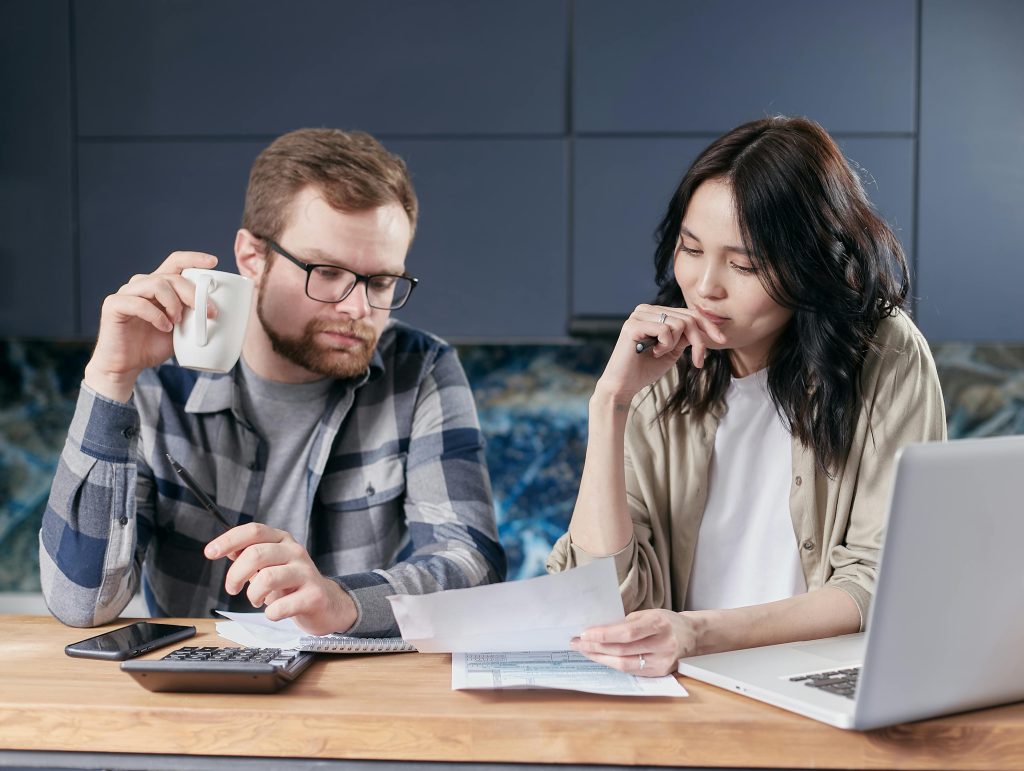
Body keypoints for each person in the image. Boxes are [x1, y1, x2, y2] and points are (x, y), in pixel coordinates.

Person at [40, 128, 506, 636]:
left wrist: (341, 601)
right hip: (198, 698)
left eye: (380, 282)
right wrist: (110, 378)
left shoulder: (420, 370)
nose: (358, 309)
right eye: (327, 272)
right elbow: (80, 605)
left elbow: (471, 561)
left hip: (357, 694)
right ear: (251, 258)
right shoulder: (156, 383)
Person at [547, 116, 946, 676]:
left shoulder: (887, 356)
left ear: (810, 263)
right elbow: (601, 602)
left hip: (815, 687)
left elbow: (880, 581)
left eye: (745, 264)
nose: (706, 285)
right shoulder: (656, 362)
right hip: (680, 695)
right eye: (691, 248)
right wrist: (609, 405)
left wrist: (696, 632)